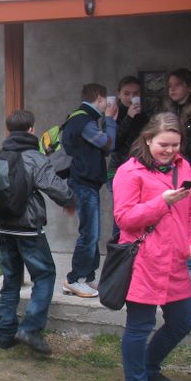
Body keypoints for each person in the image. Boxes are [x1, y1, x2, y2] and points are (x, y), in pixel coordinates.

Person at [113, 112, 191, 381]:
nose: (170, 150)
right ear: (148, 139)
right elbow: (124, 219)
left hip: (175, 260)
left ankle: (149, 368)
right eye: (164, 144)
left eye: (175, 145)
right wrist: (161, 202)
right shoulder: (129, 172)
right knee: (140, 326)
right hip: (144, 261)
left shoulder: (184, 166)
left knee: (182, 322)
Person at [0, 110, 75, 355]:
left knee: (11, 280)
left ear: (8, 131)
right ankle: (30, 328)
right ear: (31, 130)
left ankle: (4, 334)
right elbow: (55, 188)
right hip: (27, 229)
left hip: (4, 227)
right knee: (45, 275)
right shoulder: (34, 157)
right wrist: (71, 200)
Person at [61, 83, 118, 298]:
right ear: (100, 98)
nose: (106, 106)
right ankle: (74, 279)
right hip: (83, 184)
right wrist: (110, 120)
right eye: (106, 101)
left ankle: (89, 277)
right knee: (89, 234)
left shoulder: (82, 118)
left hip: (87, 183)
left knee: (93, 233)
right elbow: (108, 144)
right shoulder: (84, 120)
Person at [108, 76, 149, 240]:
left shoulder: (144, 115)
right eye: (127, 93)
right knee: (121, 213)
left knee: (139, 213)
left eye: (136, 93)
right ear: (118, 94)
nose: (131, 97)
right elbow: (113, 143)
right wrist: (129, 117)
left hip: (141, 169)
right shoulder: (112, 113)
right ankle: (118, 249)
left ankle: (134, 248)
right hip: (116, 170)